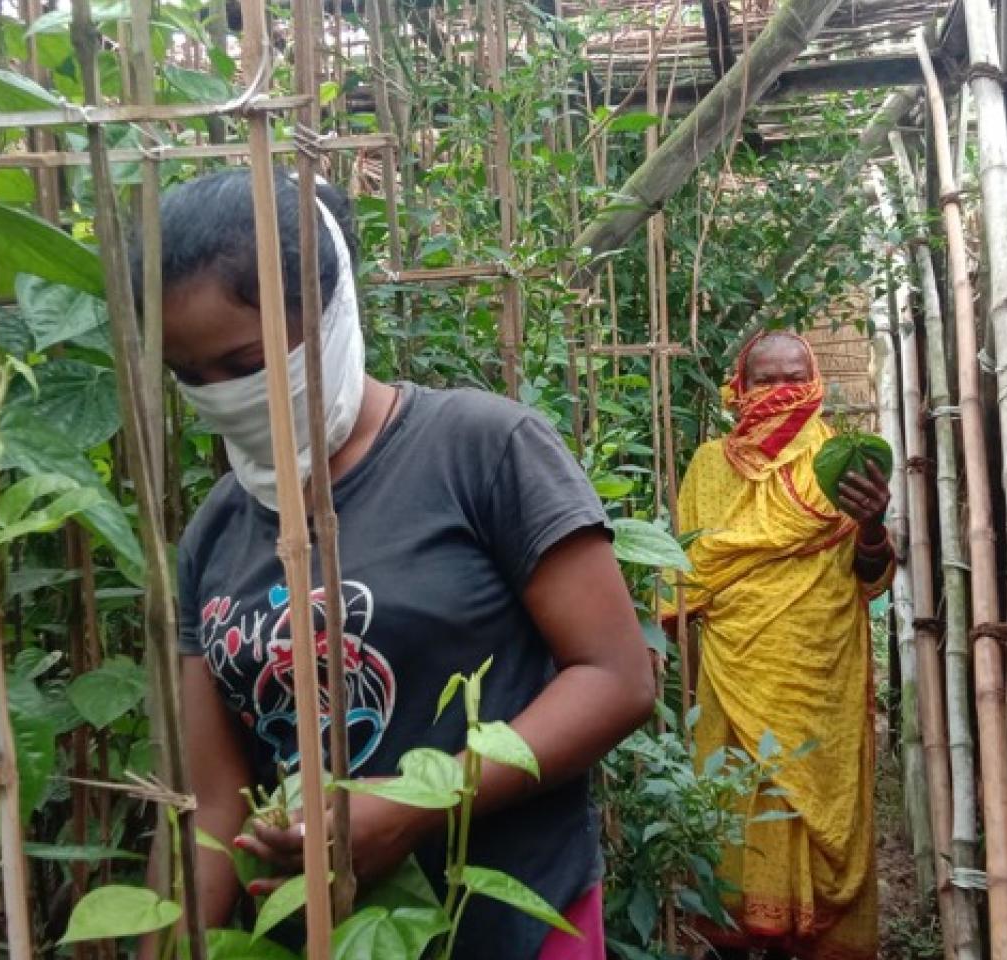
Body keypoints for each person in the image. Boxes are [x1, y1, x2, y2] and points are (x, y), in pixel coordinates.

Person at [145, 167, 655, 959]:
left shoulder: (483, 451)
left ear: (332, 313)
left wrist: (425, 805)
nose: (222, 396)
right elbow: (212, 804)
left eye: (247, 365)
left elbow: (616, 679)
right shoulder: (215, 532)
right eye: (191, 377)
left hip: (509, 930)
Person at [668, 331, 893, 960]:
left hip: (822, 671)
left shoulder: (844, 462)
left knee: (817, 797)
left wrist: (873, 525)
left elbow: (872, 580)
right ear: (740, 388)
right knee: (741, 798)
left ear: (817, 382)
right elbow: (685, 572)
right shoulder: (709, 466)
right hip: (735, 668)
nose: (782, 392)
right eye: (766, 380)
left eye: (796, 378)